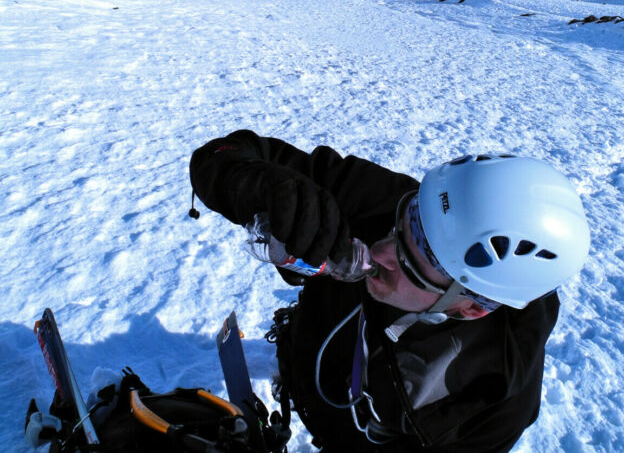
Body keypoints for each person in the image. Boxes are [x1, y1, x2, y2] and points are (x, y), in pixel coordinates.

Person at [189, 130, 590, 452]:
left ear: (469, 309)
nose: (381, 250)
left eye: (413, 264)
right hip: (309, 354)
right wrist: (251, 183)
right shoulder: (406, 205)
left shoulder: (490, 402)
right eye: (407, 223)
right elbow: (222, 154)